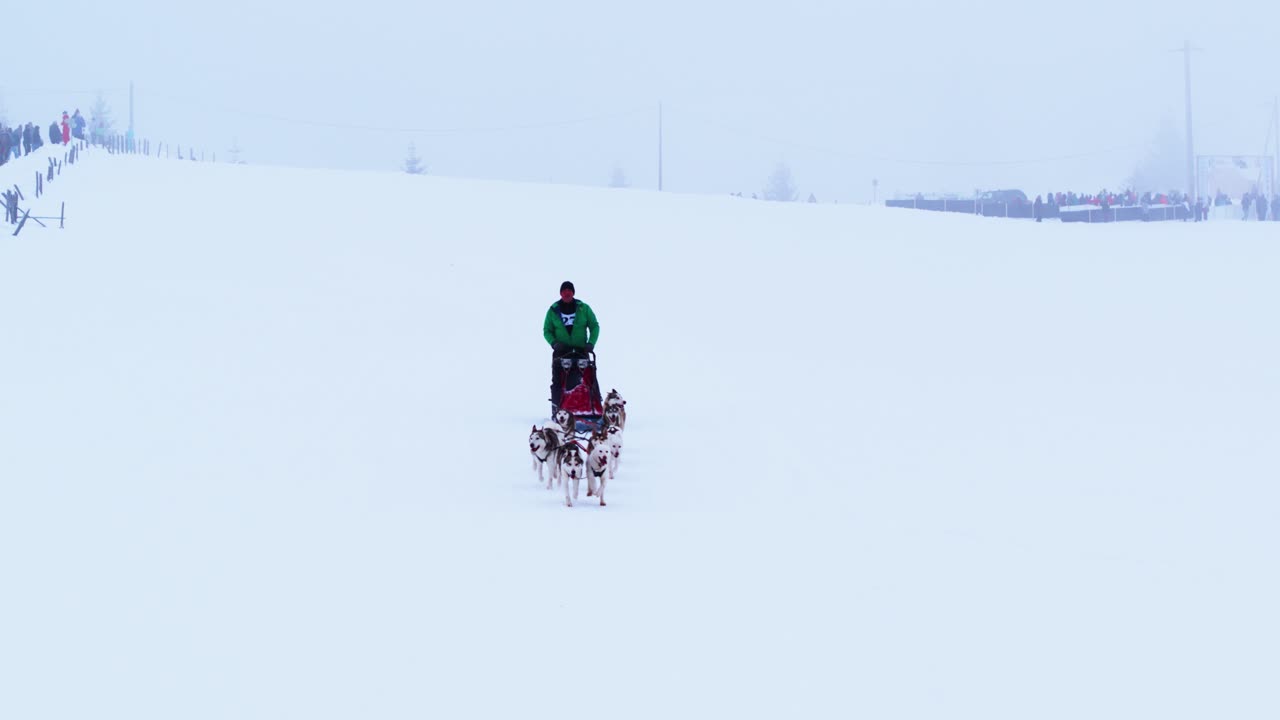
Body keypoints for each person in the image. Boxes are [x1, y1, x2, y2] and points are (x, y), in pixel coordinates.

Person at [542, 281, 599, 409]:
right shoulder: (553, 310)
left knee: (590, 377)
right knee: (557, 380)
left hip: (580, 350)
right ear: (560, 293)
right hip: (561, 351)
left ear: (573, 293)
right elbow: (547, 330)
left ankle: (596, 406)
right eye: (564, 291)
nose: (567, 293)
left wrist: (591, 343)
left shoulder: (583, 308)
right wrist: (554, 343)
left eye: (569, 291)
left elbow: (594, 326)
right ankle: (557, 407)